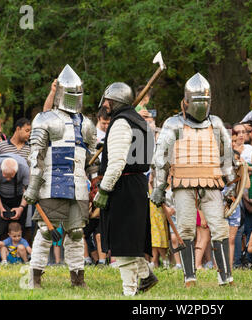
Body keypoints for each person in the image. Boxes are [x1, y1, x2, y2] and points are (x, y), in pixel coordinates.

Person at [151, 73, 238, 287]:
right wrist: (159, 188)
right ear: (186, 101)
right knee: (186, 228)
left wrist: (231, 185)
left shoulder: (216, 124)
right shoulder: (173, 124)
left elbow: (227, 156)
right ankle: (189, 276)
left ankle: (225, 277)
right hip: (182, 180)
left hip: (212, 181)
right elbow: (161, 158)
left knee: (219, 227)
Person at [23, 65, 99, 288]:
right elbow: (36, 155)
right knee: (47, 232)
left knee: (76, 233)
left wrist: (96, 186)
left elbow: (92, 160)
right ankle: (35, 278)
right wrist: (33, 186)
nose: (75, 98)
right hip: (51, 184)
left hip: (77, 185)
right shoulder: (44, 119)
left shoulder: (87, 124)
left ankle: (78, 279)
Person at [92, 81, 157, 296]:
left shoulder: (121, 122)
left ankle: (129, 291)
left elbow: (118, 162)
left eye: (109, 101)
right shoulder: (141, 122)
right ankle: (146, 276)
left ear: (116, 101)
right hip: (136, 183)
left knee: (124, 243)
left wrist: (104, 189)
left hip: (123, 185)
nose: (106, 104)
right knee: (130, 237)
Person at [0, 154, 30, 240]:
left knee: (18, 226)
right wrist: (1, 208)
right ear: (1, 169)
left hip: (19, 196)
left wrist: (21, 208)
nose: (8, 179)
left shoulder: (24, 168)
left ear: (16, 171)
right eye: (5, 176)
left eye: (11, 176)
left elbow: (27, 191)